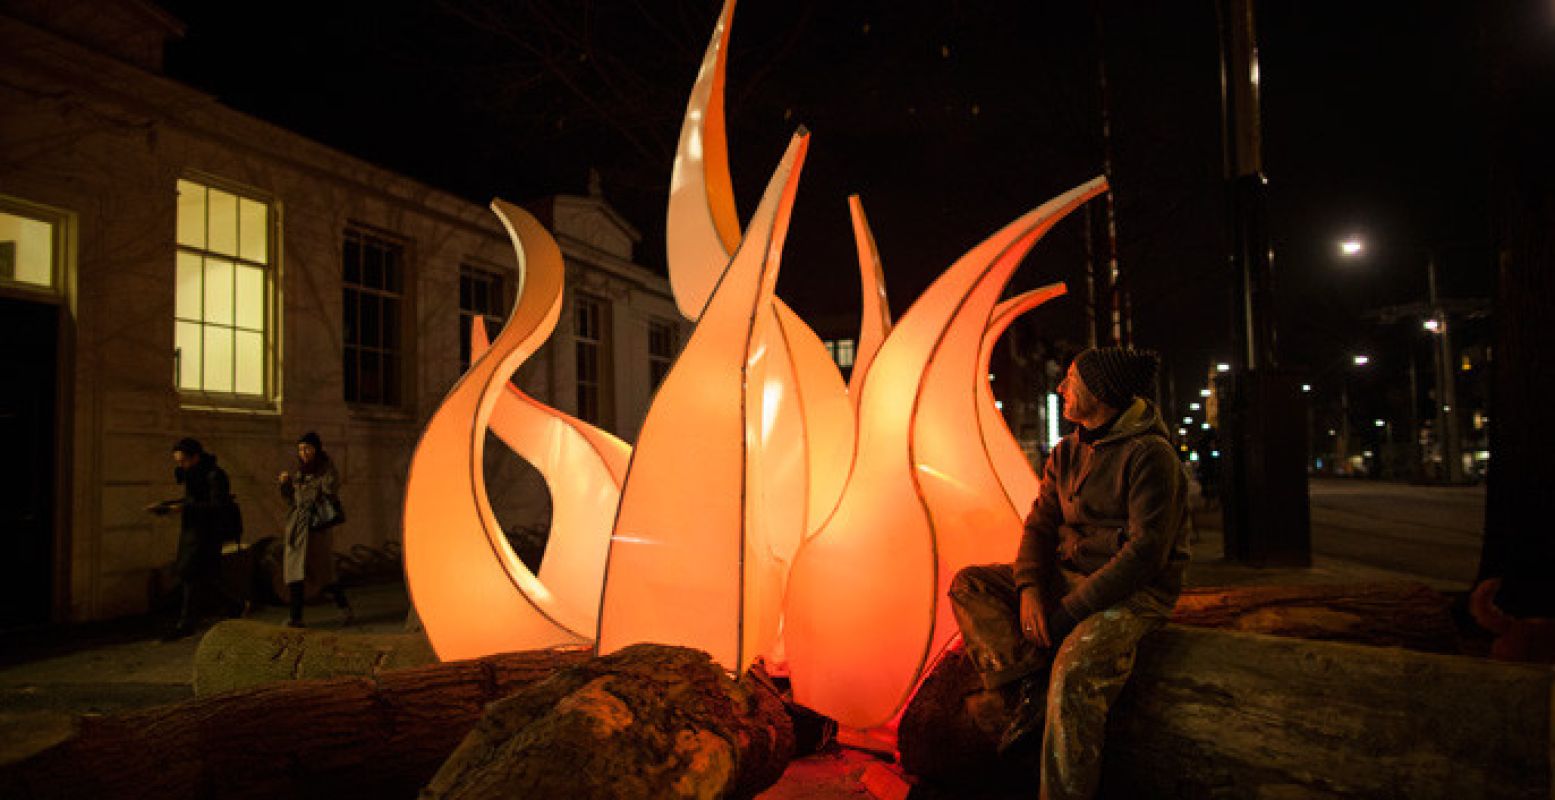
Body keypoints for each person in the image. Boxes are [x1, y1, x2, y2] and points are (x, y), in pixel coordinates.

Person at [949, 347, 1191, 800]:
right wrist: (1029, 589)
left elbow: (1144, 556)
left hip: (1133, 594)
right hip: (1067, 577)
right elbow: (1039, 525)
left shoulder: (1150, 456)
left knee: (1075, 674)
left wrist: (1064, 615)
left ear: (1101, 391)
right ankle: (1026, 686)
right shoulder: (1066, 452)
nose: (1061, 388)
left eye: (1072, 379)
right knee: (970, 583)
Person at [153, 437, 244, 639]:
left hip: (207, 532)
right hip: (192, 530)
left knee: (190, 574)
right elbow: (192, 499)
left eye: (183, 461)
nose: (181, 466)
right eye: (178, 462)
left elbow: (216, 505)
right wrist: (167, 506)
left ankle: (187, 623)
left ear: (196, 457)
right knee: (205, 575)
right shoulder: (194, 474)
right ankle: (234, 604)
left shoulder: (214, 475)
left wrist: (184, 508)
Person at [277, 431, 352, 627]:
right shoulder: (300, 473)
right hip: (297, 528)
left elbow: (329, 491)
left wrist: (322, 474)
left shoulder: (325, 470)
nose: (304, 452)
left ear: (317, 449)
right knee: (294, 573)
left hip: (316, 528)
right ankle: (296, 617)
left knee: (324, 573)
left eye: (308, 448)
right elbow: (292, 502)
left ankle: (343, 607)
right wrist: (285, 486)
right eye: (301, 449)